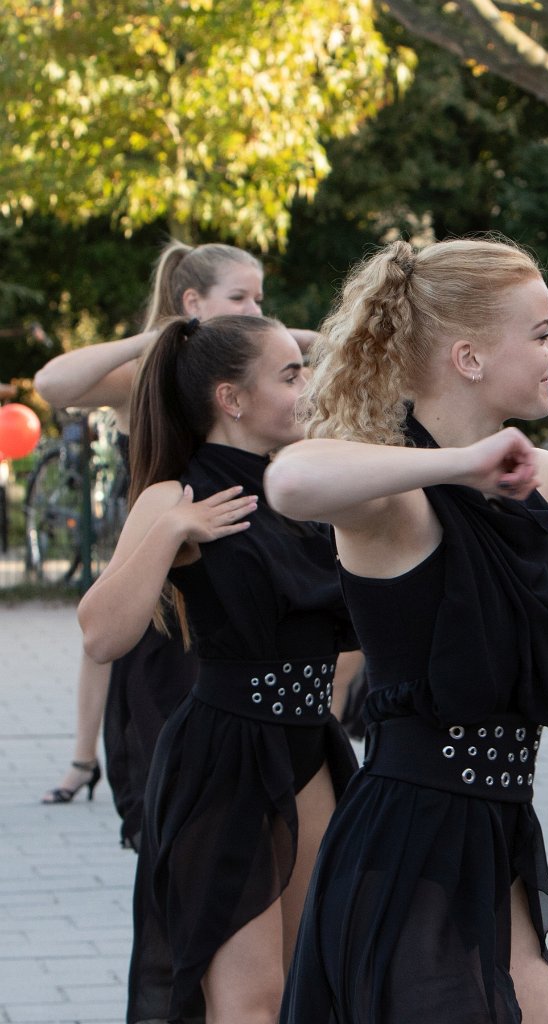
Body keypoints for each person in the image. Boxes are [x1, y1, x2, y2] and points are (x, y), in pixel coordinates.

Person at [264, 236, 548, 1024]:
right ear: (468, 358)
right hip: (412, 842)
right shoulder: (398, 499)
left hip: (494, 831)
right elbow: (289, 480)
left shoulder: (520, 477)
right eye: (539, 332)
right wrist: (456, 466)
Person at [77, 312, 360, 1023]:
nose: (308, 386)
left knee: (312, 985)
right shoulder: (174, 496)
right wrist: (171, 530)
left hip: (309, 749)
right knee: (248, 1001)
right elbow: (101, 633)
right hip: (225, 758)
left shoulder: (302, 489)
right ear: (232, 399)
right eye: (290, 373)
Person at [35, 239, 321, 841]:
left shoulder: (274, 407)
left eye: (258, 298)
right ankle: (91, 761)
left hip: (286, 699)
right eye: (238, 296)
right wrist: (163, 335)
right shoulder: (154, 375)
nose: (250, 307)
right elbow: (53, 383)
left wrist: (276, 339)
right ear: (193, 301)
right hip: (176, 565)